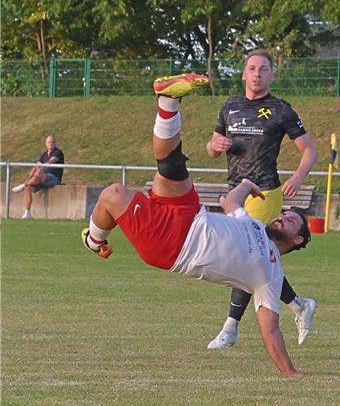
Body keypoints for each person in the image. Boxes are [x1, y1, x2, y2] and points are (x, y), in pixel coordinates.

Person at [80, 74, 309, 377]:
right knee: (172, 163)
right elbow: (230, 203)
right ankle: (168, 100)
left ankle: (94, 241)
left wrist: (291, 373)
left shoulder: (271, 276)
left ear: (297, 241)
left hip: (174, 245)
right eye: (284, 214)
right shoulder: (254, 225)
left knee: (113, 194)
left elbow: (271, 331)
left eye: (291, 221)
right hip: (191, 214)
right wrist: (248, 184)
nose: (281, 217)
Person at [205, 48, 318, 349]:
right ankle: (298, 304)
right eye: (252, 68)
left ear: (271, 74)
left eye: (263, 69)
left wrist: (297, 177)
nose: (257, 73)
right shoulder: (230, 107)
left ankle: (230, 329)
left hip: (264, 191)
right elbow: (212, 147)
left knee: (248, 255)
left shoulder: (281, 109)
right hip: (236, 193)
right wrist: (215, 146)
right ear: (243, 73)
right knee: (256, 260)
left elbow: (310, 149)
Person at [13, 134, 65, 219]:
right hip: (41, 179)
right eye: (49, 142)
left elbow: (52, 161)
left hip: (53, 178)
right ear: (46, 144)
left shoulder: (58, 152)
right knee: (28, 187)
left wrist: (41, 168)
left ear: (55, 143)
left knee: (40, 171)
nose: (50, 144)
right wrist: (28, 178)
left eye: (52, 142)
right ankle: (27, 212)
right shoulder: (44, 154)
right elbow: (36, 166)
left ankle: (23, 185)